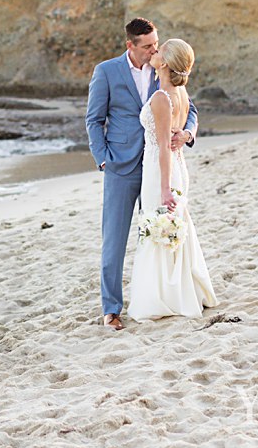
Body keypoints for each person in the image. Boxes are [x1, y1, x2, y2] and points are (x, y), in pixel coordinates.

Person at [86, 18, 197, 330]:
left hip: (156, 165)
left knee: (157, 235)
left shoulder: (164, 70)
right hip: (120, 166)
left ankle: (160, 298)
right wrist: (103, 158)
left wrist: (187, 134)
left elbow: (191, 109)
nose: (154, 50)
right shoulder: (106, 72)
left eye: (156, 44)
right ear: (130, 45)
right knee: (114, 240)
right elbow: (93, 119)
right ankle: (111, 309)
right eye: (147, 46)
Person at [127, 39, 219, 320]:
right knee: (173, 225)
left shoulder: (161, 98)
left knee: (159, 224)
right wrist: (187, 134)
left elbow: (165, 146)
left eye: (160, 49)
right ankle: (182, 289)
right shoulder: (179, 92)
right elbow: (180, 127)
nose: (154, 51)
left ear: (165, 63)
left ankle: (164, 297)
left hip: (161, 169)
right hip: (176, 166)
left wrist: (165, 188)